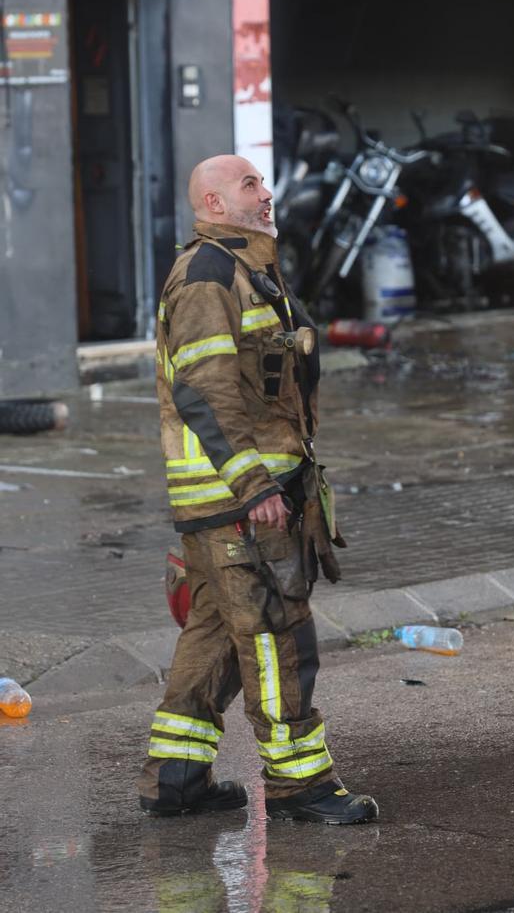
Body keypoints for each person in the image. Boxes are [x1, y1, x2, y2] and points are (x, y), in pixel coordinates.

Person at [137, 153, 378, 825]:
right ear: (213, 202)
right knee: (277, 635)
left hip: (235, 499)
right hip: (241, 501)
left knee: (213, 634)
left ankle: (175, 780)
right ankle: (302, 787)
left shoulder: (248, 270)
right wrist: (252, 485)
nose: (266, 194)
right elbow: (204, 389)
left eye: (263, 183)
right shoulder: (209, 275)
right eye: (250, 185)